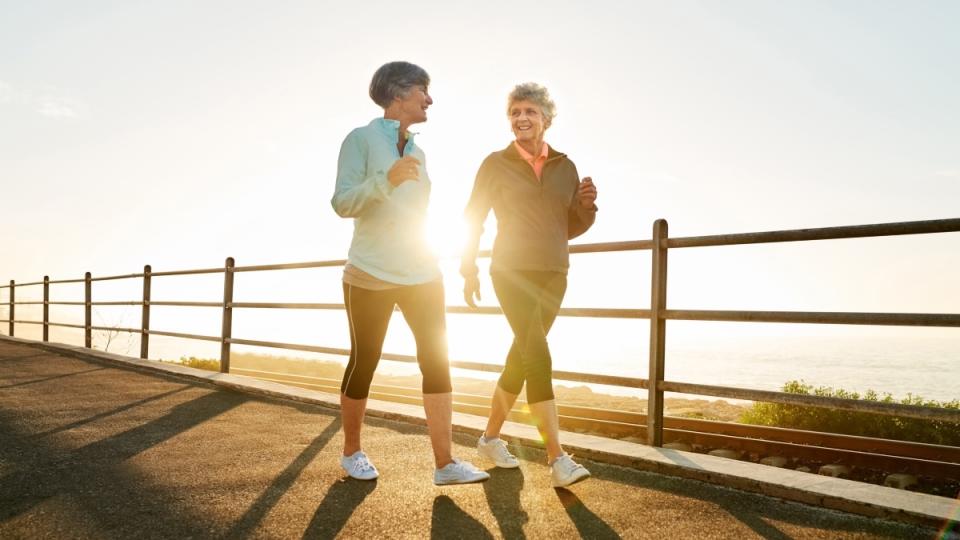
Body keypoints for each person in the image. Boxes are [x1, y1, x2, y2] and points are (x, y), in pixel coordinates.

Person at [331, 61, 489, 485]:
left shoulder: (418, 152)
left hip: (422, 271)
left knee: (437, 361)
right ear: (398, 93)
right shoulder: (361, 139)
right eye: (423, 90)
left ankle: (445, 463)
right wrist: (386, 179)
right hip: (369, 271)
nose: (430, 99)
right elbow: (343, 202)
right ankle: (352, 451)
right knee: (365, 360)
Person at [461, 82, 598, 488]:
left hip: (555, 272)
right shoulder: (495, 164)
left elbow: (569, 227)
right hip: (511, 271)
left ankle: (489, 438)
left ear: (546, 119)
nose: (522, 118)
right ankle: (557, 459)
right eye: (515, 112)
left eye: (530, 112)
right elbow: (473, 216)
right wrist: (468, 267)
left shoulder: (566, 167)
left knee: (521, 357)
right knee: (537, 354)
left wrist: (587, 208)